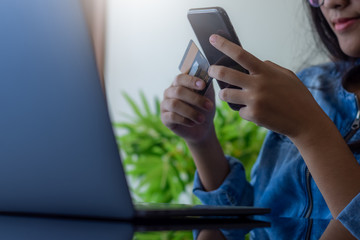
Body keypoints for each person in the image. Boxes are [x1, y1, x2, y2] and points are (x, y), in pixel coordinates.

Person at [161, 0, 360, 238]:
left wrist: (310, 130)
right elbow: (249, 221)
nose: (331, 2)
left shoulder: (302, 100)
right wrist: (202, 140)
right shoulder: (311, 84)